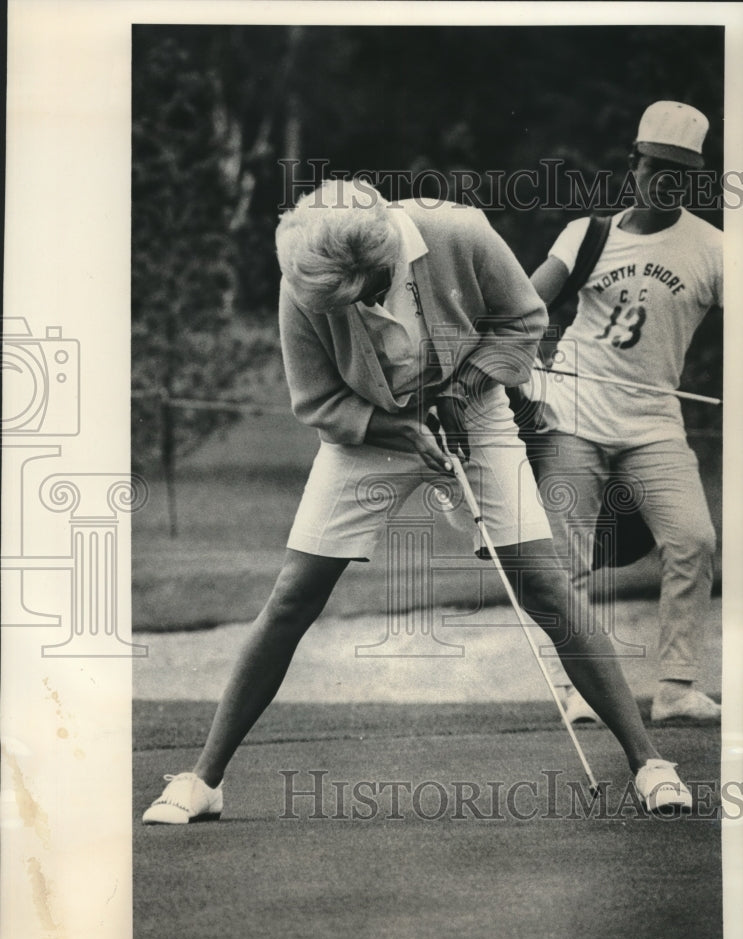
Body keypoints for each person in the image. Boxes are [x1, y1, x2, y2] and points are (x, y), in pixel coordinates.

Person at [143, 177, 692, 824]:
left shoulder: (456, 231)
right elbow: (316, 400)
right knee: (293, 594)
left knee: (544, 585)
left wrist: (462, 389)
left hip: (476, 413)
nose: (356, 310)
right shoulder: (306, 276)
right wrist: (397, 430)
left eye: (367, 295)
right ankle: (205, 779)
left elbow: (523, 321)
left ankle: (649, 762)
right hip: (370, 432)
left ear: (384, 259)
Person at [527, 101, 722, 726]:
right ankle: (577, 686)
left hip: (653, 421)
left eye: (680, 172)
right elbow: (527, 303)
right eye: (654, 166)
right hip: (573, 411)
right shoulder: (588, 234)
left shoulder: (717, 249)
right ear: (631, 163)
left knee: (694, 540)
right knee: (570, 551)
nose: (665, 180)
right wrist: (522, 365)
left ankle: (675, 687)